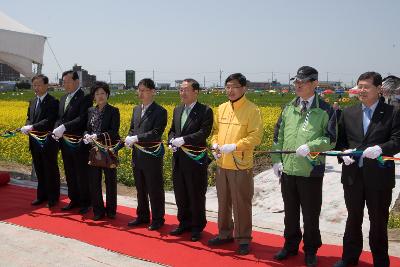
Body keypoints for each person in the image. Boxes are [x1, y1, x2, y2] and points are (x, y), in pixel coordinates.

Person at [271, 66, 337, 266]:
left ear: (314, 84)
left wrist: (311, 146)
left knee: (310, 214)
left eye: (303, 81)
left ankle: (310, 249)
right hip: (288, 170)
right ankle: (290, 245)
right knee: (290, 213)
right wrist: (276, 160)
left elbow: (331, 139)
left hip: (310, 170)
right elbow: (278, 136)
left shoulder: (325, 110)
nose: (298, 85)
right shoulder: (288, 107)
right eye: (296, 81)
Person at [333, 72, 400, 267]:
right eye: (359, 86)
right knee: (353, 218)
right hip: (353, 176)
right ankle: (349, 257)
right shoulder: (348, 112)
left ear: (379, 89)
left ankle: (380, 261)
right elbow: (341, 143)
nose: (361, 90)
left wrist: (381, 148)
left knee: (378, 221)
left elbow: (397, 140)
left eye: (366, 87)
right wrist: (343, 154)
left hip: (379, 177)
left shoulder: (393, 112)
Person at [208, 73, 263, 255]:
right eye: (228, 87)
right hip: (222, 163)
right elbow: (215, 130)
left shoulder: (252, 110)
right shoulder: (222, 108)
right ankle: (224, 234)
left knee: (241, 203)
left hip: (240, 164)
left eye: (234, 87)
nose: (230, 91)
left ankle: (244, 238)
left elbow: (255, 136)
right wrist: (215, 143)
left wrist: (236, 146)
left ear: (244, 88)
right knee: (223, 202)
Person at [168, 78, 213, 242]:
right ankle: (183, 223)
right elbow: (172, 130)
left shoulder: (205, 110)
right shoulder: (177, 109)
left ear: (196, 92)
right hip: (178, 159)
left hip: (195, 161)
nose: (182, 93)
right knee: (180, 194)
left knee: (196, 195)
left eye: (186, 90)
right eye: (181, 90)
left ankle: (197, 227)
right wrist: (171, 141)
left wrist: (184, 140)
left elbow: (203, 133)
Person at [125, 78, 167, 231]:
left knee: (154, 189)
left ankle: (158, 219)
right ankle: (142, 216)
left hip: (151, 157)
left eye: (144, 90)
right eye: (139, 90)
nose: (140, 93)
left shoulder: (160, 111)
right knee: (140, 188)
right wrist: (129, 138)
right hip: (137, 156)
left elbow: (156, 133)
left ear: (153, 92)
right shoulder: (136, 109)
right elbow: (132, 128)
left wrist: (137, 138)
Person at [53, 70, 93, 214]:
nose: (65, 84)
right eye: (63, 82)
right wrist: (56, 128)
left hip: (78, 142)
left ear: (77, 82)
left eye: (68, 81)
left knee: (81, 173)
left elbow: (82, 119)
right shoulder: (63, 98)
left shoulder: (85, 98)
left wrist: (64, 127)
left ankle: (86, 201)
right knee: (69, 172)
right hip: (64, 142)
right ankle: (74, 199)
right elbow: (59, 117)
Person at [20, 74, 60, 208]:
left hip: (48, 142)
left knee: (50, 170)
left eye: (39, 85)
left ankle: (53, 198)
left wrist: (33, 126)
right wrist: (27, 125)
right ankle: (41, 196)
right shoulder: (32, 102)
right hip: (34, 142)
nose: (36, 88)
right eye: (34, 85)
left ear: (46, 86)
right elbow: (29, 118)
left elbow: (49, 120)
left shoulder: (53, 102)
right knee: (39, 171)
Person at [83, 82, 120, 221]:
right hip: (93, 150)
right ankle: (98, 210)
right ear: (94, 96)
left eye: (103, 93)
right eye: (97, 94)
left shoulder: (113, 111)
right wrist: (86, 135)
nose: (100, 96)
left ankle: (111, 210)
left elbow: (114, 132)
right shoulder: (91, 111)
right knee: (94, 181)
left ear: (107, 95)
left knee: (110, 181)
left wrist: (98, 136)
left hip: (108, 150)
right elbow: (87, 128)